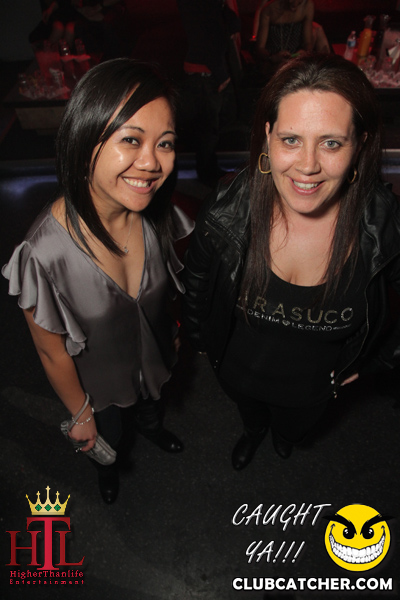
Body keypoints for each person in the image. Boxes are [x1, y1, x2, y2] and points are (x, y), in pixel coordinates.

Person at [183, 53, 400, 470]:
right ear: (268, 136)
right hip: (236, 373)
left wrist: (378, 360)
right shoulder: (228, 208)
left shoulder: (385, 224)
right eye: (291, 140)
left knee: (294, 431)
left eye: (331, 143)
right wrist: (201, 341)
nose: (307, 166)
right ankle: (253, 432)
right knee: (250, 415)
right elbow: (196, 286)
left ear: (360, 144)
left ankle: (284, 438)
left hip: (312, 392)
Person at [2, 59, 193, 503]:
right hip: (100, 388)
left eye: (165, 143)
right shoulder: (43, 254)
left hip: (153, 360)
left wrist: (173, 330)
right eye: (131, 139)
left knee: (151, 410)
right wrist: (80, 414)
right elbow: (51, 353)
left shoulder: (158, 215)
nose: (152, 162)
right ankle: (108, 471)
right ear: (85, 138)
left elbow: (166, 292)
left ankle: (152, 429)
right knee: (109, 438)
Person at [253, 0, 329, 78]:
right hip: (274, 60)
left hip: (296, 59)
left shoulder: (307, 5)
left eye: (299, 3)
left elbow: (308, 43)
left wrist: (303, 52)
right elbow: (260, 48)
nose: (295, 7)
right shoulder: (269, 9)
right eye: (291, 2)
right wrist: (272, 57)